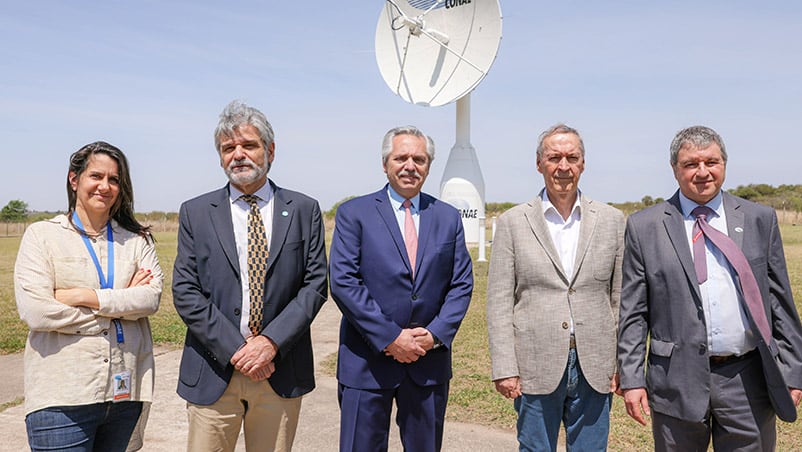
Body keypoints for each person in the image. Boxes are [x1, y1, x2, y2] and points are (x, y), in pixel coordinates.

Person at [618, 125, 802, 451]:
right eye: (691, 164)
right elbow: (634, 312)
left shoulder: (759, 218)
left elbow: (779, 300)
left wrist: (793, 370)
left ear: (724, 165)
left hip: (747, 380)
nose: (703, 172)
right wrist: (631, 379)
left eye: (712, 162)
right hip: (675, 382)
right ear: (675, 169)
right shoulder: (644, 226)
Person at [172, 100, 328, 452]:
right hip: (214, 372)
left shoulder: (304, 210)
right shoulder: (196, 212)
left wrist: (269, 344)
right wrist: (238, 350)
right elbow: (185, 291)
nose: (238, 155)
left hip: (279, 371)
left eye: (249, 145)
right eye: (228, 148)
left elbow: (315, 286)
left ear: (270, 150)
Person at [329, 125, 474, 452]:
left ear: (428, 165)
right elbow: (344, 282)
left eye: (419, 159)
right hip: (366, 364)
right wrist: (390, 338)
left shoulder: (448, 218)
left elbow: (461, 284)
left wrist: (435, 334)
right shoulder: (355, 214)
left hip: (428, 363)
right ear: (385, 164)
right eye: (401, 157)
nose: (410, 165)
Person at [14, 141, 163, 452]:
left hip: (124, 395)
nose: (105, 186)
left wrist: (82, 296)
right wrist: (119, 303)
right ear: (74, 179)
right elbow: (37, 312)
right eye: (96, 176)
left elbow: (149, 299)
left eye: (114, 179)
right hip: (61, 398)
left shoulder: (136, 240)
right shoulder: (42, 236)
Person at [486, 124, 625, 451]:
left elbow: (621, 300)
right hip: (535, 363)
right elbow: (498, 302)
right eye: (554, 158)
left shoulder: (612, 221)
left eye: (572, 157)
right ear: (539, 164)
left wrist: (621, 363)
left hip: (596, 365)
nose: (563, 166)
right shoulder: (512, 223)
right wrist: (505, 367)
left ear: (582, 164)